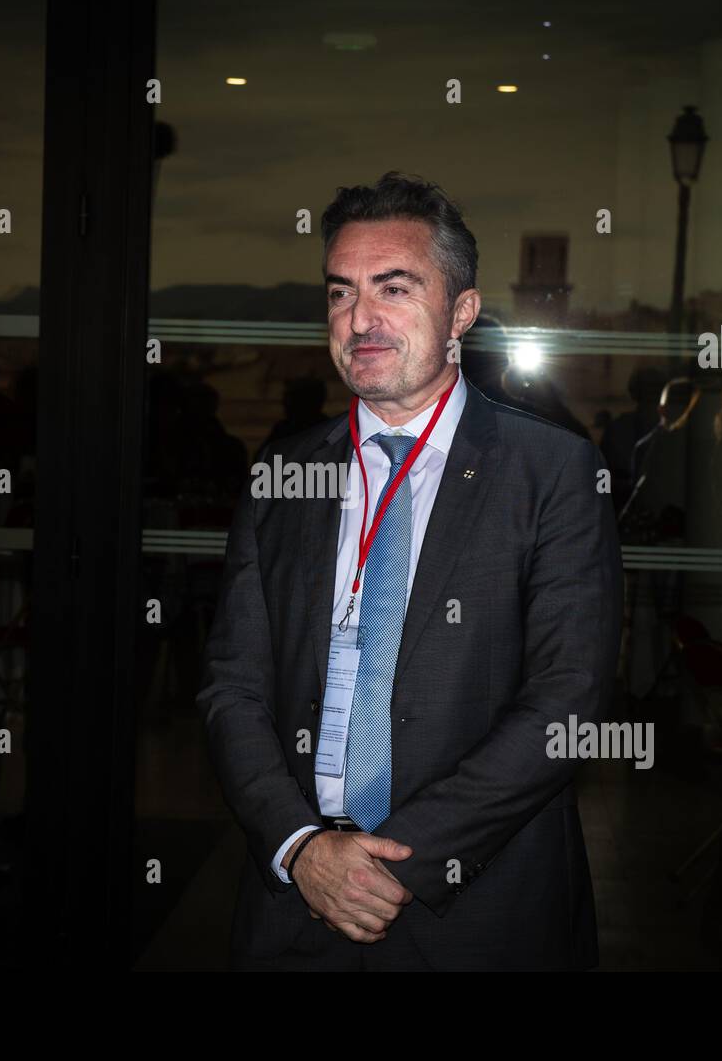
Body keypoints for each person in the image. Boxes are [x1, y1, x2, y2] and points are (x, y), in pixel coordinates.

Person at [195, 172, 624, 970]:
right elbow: (233, 687)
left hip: (477, 909)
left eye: (394, 288)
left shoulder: (552, 471)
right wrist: (301, 849)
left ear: (462, 311)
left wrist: (396, 863)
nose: (361, 319)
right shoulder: (285, 474)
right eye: (340, 293)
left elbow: (569, 698)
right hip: (294, 903)